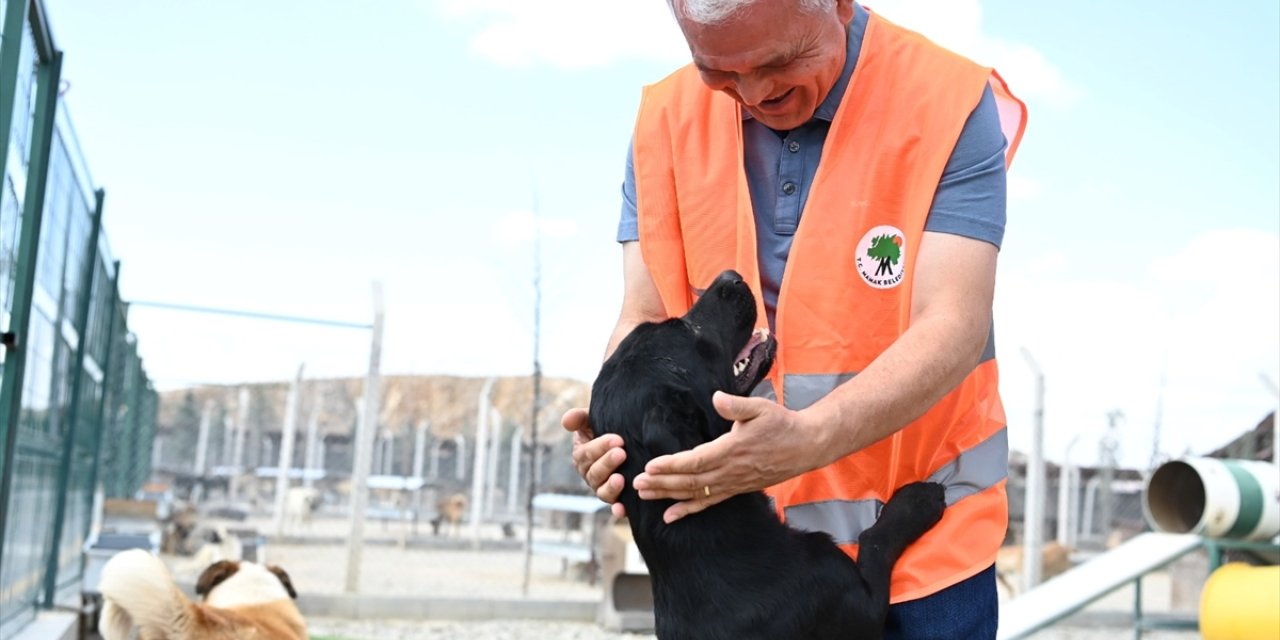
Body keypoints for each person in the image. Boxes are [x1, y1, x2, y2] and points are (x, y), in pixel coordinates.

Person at [562, 0, 1026, 637]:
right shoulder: (664, 120)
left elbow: (953, 324)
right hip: (741, 570)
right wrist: (620, 445)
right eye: (719, 71)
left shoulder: (946, 103)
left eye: (779, 61)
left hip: (923, 550)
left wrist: (805, 442)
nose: (755, 94)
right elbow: (643, 315)